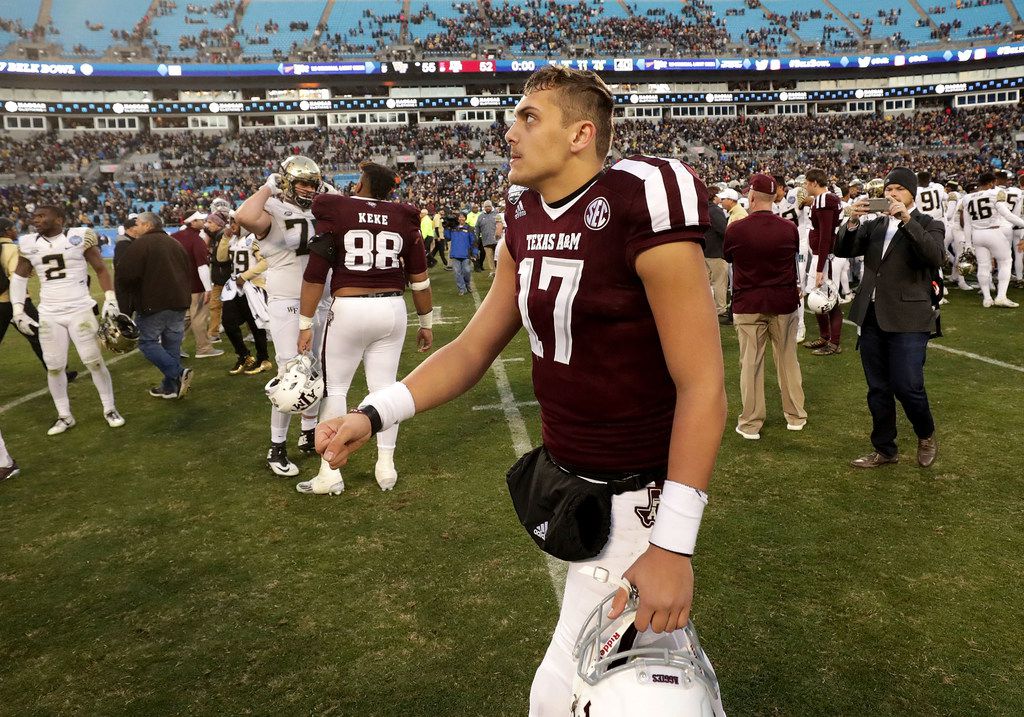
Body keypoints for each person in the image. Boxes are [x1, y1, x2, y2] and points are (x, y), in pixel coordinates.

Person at [312, 66, 727, 716]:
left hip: (637, 501)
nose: (509, 130)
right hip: (574, 485)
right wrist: (372, 411)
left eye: (529, 117)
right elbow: (474, 348)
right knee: (555, 692)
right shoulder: (523, 214)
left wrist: (673, 542)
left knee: (640, 702)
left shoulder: (642, 194)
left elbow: (702, 381)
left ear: (580, 134)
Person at [296, 161, 433, 495]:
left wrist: (304, 324)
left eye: (359, 180)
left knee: (337, 389)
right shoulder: (403, 215)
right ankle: (386, 467)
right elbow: (419, 278)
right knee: (385, 391)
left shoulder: (337, 208)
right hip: (392, 309)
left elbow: (315, 274)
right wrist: (426, 321)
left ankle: (330, 473)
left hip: (351, 308)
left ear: (363, 185)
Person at [835, 167, 944, 468]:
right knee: (878, 389)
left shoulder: (928, 222)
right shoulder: (875, 225)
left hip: (910, 317)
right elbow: (842, 249)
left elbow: (935, 256)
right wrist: (853, 221)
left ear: (912, 194)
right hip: (871, 315)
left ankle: (925, 434)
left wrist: (906, 220)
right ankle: (885, 449)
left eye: (898, 189)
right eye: (888, 189)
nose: (891, 194)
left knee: (908, 385)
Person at [235, 155, 333, 477]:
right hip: (288, 299)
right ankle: (276, 446)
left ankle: (307, 432)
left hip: (322, 298)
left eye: (312, 183)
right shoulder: (274, 209)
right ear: (287, 182)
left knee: (317, 370)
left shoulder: (320, 205)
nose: (308, 189)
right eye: (302, 182)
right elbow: (244, 215)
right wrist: (266, 188)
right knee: (292, 373)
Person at [8, 205, 125, 434]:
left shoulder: (78, 236)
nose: (36, 219)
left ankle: (109, 408)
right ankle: (64, 415)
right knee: (54, 367)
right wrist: (18, 310)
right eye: (35, 216)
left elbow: (101, 269)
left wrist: (110, 298)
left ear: (59, 219)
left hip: (79, 309)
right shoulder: (30, 243)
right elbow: (20, 277)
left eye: (42, 215)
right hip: (50, 313)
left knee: (93, 361)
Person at [723, 174, 806, 440]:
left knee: (751, 364)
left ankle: (750, 423)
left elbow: (729, 256)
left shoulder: (736, 228)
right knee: (787, 360)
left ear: (752, 196)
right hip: (783, 301)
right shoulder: (788, 228)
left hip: (749, 303)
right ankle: (795, 416)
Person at [114, 212, 195, 399]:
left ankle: (178, 373)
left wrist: (125, 309)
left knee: (146, 342)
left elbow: (124, 276)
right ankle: (170, 388)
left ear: (147, 225)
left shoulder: (141, 244)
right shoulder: (175, 243)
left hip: (154, 304)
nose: (137, 227)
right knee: (171, 347)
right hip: (179, 302)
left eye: (139, 224)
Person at [957, 172, 1024, 307]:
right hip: (993, 231)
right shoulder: (994, 194)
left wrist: (968, 243)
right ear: (991, 183)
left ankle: (987, 298)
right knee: (1005, 261)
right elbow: (1008, 215)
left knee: (983, 265)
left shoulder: (967, 197)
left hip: (977, 234)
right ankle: (1001, 296)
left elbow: (967, 223)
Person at [219, 216, 271, 375]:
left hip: (253, 286)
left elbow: (265, 262)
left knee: (255, 324)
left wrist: (246, 276)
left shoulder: (253, 238)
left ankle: (263, 359)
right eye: (230, 222)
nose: (231, 226)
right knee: (228, 323)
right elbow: (221, 258)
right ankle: (244, 355)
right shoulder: (233, 239)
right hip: (236, 286)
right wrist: (225, 237)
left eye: (234, 222)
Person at [172, 211, 223, 359]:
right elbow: (202, 266)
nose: (204, 222)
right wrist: (208, 288)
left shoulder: (174, 237)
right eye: (200, 220)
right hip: (196, 285)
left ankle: (172, 346)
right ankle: (204, 348)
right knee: (199, 317)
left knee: (186, 317)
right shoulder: (196, 240)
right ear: (192, 222)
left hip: (179, 285)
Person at [804, 168, 844, 355]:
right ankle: (825, 336)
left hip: (826, 257)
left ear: (814, 183)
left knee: (830, 300)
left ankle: (834, 343)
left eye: (806, 183)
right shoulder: (825, 199)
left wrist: (820, 267)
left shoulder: (824, 200)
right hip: (823, 256)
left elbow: (826, 235)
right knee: (817, 298)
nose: (804, 186)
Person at [703, 193, 730, 322]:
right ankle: (721, 310)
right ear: (714, 197)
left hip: (705, 250)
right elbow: (723, 230)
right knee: (719, 282)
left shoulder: (702, 208)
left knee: (706, 283)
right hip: (716, 251)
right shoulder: (714, 210)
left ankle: (706, 308)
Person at [448, 213, 478, 295]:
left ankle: (467, 284)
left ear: (465, 218)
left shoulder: (469, 228)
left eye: (463, 217)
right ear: (457, 219)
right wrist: (447, 227)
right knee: (457, 272)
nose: (461, 218)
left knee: (467, 271)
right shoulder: (453, 228)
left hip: (466, 254)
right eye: (460, 217)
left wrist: (474, 253)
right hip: (455, 254)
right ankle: (462, 288)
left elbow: (474, 242)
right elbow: (447, 237)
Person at [475, 200, 503, 276]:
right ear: (484, 207)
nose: (487, 208)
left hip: (497, 240)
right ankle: (493, 271)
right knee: (489, 257)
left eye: (488, 206)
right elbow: (477, 227)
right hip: (486, 240)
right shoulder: (481, 216)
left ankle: (499, 270)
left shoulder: (497, 214)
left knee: (497, 257)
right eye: (486, 206)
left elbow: (501, 225)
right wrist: (476, 236)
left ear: (491, 206)